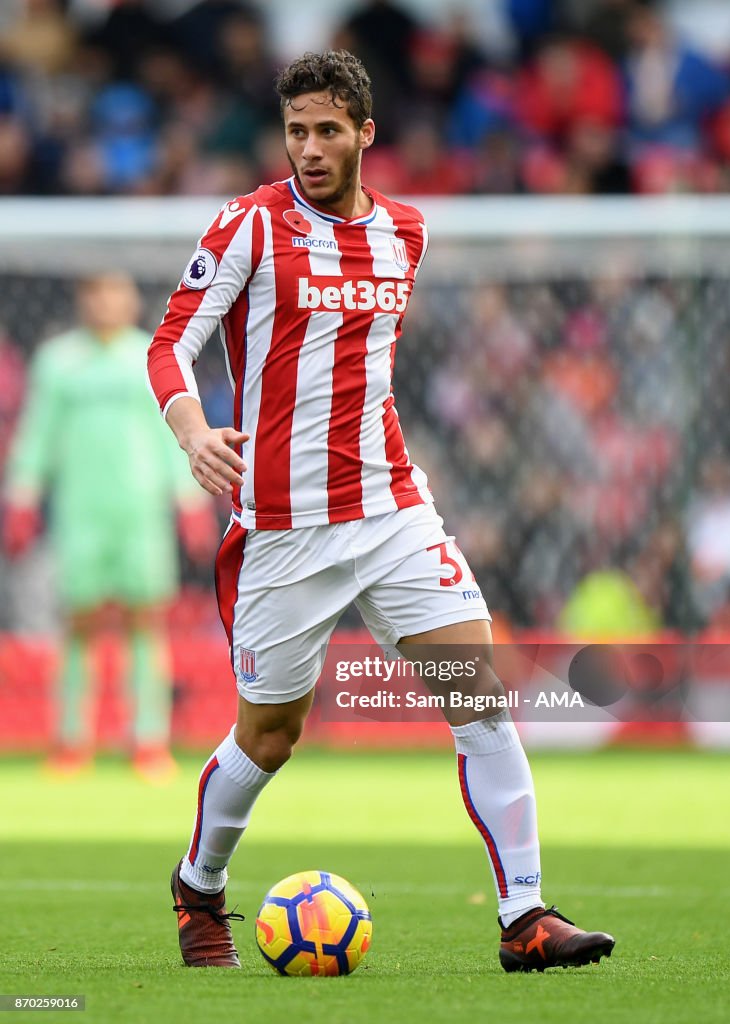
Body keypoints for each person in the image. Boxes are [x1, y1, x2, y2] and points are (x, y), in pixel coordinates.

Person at [148, 49, 615, 972]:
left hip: (392, 509)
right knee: (269, 738)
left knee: (480, 699)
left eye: (327, 130)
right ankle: (198, 886)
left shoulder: (407, 231)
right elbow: (171, 342)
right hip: (283, 527)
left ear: (366, 132)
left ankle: (524, 916)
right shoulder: (248, 225)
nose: (309, 149)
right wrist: (194, 430)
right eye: (295, 132)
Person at [3, 272, 217, 782]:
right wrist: (22, 496)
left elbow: (172, 433)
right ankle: (72, 740)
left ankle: (148, 741)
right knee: (79, 622)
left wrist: (188, 500)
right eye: (95, 291)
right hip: (81, 513)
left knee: (145, 621)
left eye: (115, 291)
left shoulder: (152, 357)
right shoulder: (58, 361)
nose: (105, 301)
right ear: (82, 299)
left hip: (140, 512)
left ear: (130, 299)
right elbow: (38, 432)